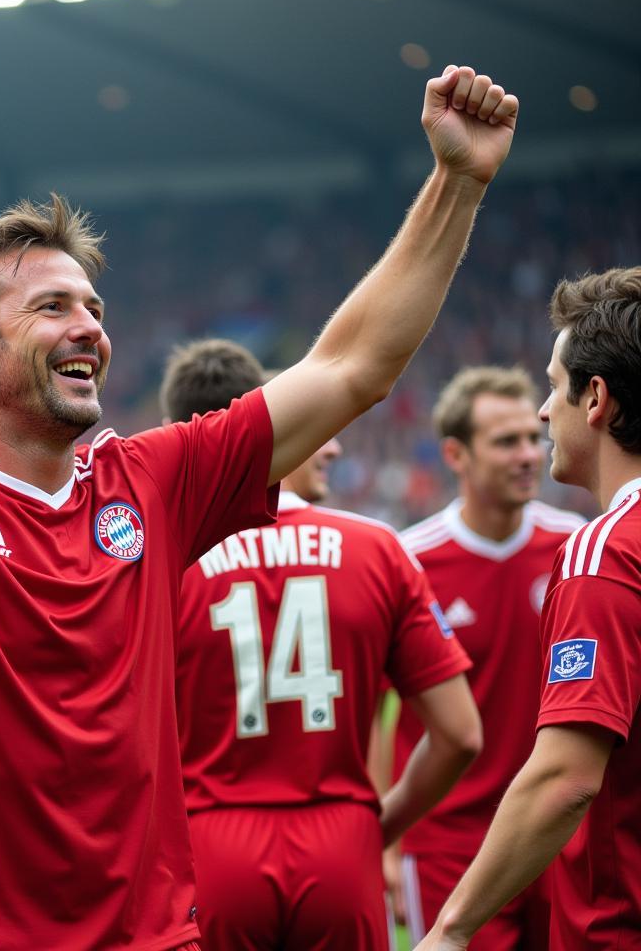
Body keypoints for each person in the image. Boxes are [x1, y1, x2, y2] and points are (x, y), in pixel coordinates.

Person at [0, 18, 517, 949]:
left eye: (95, 308)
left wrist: (457, 184)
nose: (89, 327)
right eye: (52, 307)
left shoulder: (152, 479)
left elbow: (353, 368)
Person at [163, 340, 481, 951]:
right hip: (341, 843)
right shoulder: (378, 547)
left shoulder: (168, 562)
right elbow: (461, 734)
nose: (332, 443)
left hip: (211, 841)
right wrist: (374, 829)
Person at [414, 267, 641, 950]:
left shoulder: (603, 555)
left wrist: (450, 931)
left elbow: (566, 778)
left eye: (552, 386)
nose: (544, 413)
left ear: (595, 398)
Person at [379, 366, 584, 948]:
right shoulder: (408, 561)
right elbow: (374, 714)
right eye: (504, 441)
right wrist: (385, 841)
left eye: (530, 437)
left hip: (557, 833)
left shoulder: (576, 548)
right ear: (456, 455)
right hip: (447, 842)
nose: (526, 454)